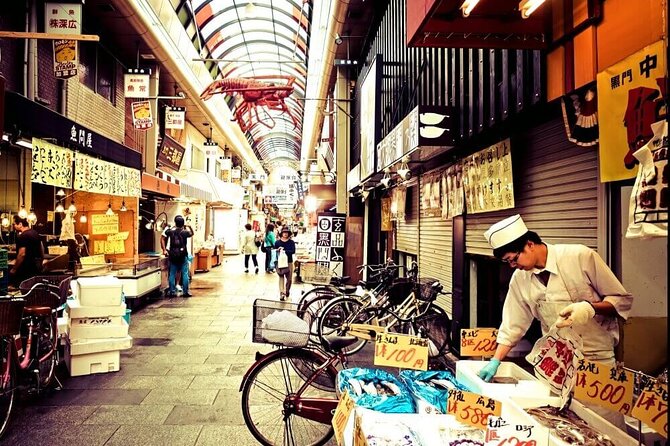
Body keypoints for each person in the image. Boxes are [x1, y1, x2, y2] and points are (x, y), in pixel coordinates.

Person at [478, 214, 633, 428]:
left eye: (514, 259)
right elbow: (513, 324)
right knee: (560, 426)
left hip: (597, 362)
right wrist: (495, 361)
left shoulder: (580, 256)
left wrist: (590, 308)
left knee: (606, 428)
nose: (513, 266)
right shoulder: (521, 279)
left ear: (529, 244)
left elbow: (621, 301)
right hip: (556, 363)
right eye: (508, 262)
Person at [161, 215, 193, 297]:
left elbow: (164, 234)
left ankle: (172, 291)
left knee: (172, 274)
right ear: (183, 224)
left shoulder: (171, 232)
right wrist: (190, 226)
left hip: (173, 256)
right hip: (183, 256)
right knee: (185, 274)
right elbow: (192, 233)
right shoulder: (185, 232)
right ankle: (186, 292)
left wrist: (169, 226)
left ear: (175, 223)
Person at [9, 215, 44, 287]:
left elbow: (22, 254)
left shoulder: (23, 236)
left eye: (14, 224)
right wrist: (41, 262)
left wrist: (14, 269)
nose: (14, 226)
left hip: (25, 269)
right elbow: (41, 249)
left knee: (21, 289)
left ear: (20, 224)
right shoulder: (35, 233)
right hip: (34, 268)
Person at [274, 227, 296, 301]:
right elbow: (274, 252)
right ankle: (282, 293)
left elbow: (293, 251)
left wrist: (284, 251)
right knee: (281, 277)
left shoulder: (291, 242)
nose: (285, 234)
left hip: (289, 262)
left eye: (287, 232)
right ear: (281, 233)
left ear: (289, 234)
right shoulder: (277, 242)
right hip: (280, 262)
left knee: (289, 279)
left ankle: (287, 291)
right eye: (284, 232)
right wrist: (278, 250)